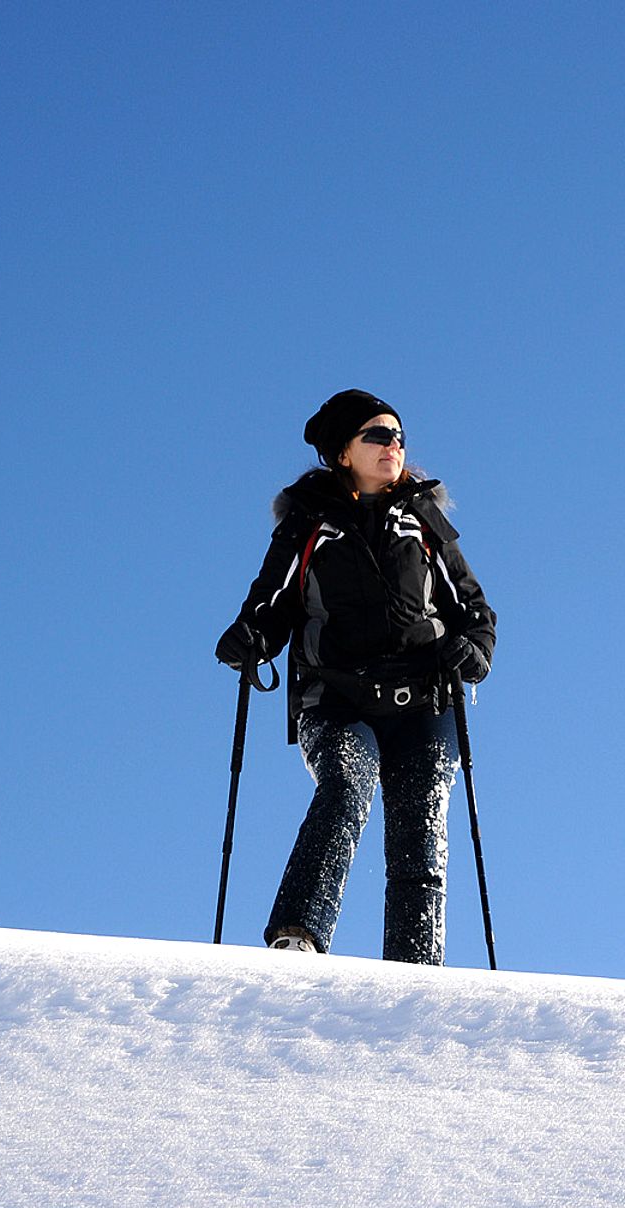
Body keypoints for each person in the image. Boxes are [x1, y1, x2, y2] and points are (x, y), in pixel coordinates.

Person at [215, 389, 496, 965]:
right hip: (336, 699)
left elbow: (475, 610)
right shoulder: (308, 525)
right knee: (347, 784)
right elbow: (271, 606)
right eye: (377, 434)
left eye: (398, 435)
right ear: (343, 452)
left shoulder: (422, 520)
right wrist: (249, 640)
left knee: (421, 819)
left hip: (426, 700)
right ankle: (298, 935)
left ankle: (416, 968)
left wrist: (475, 651)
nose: (393, 445)